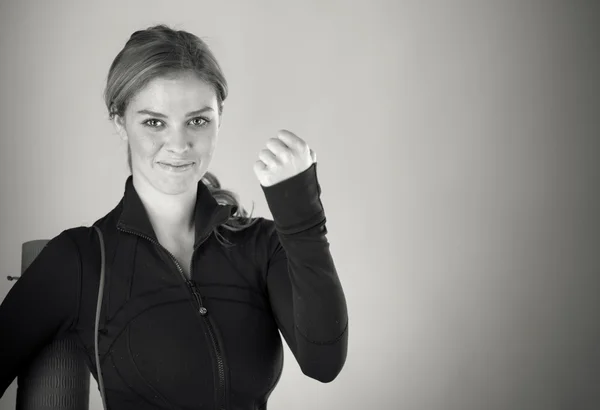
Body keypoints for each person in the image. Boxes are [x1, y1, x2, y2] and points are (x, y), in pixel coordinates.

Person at [0, 24, 348, 409]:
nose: (179, 145)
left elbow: (323, 362)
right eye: (154, 122)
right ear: (120, 122)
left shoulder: (260, 244)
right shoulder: (80, 259)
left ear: (219, 116)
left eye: (198, 120)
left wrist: (301, 216)